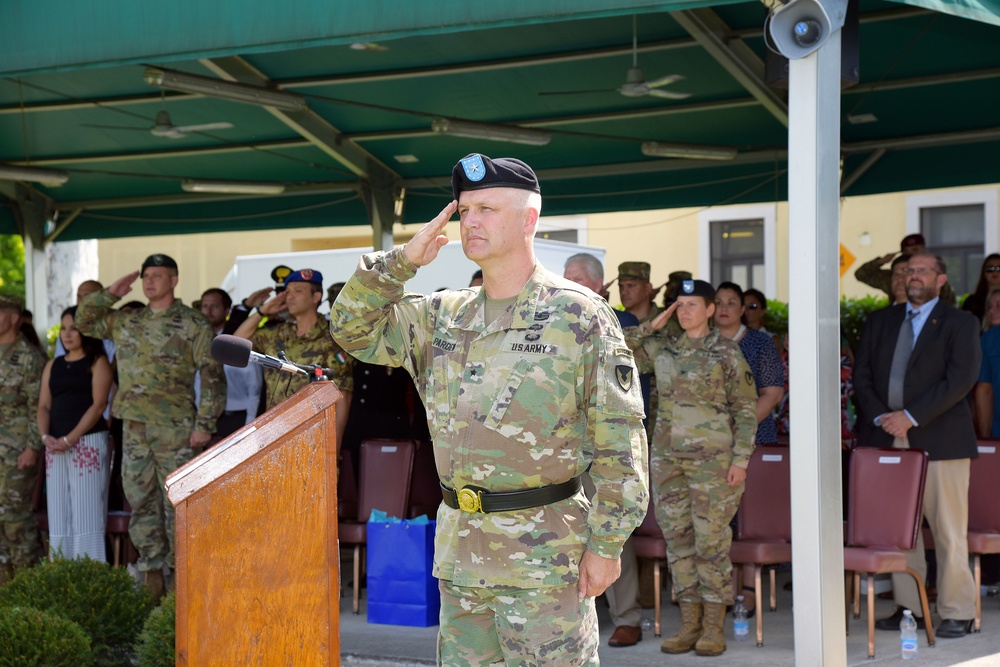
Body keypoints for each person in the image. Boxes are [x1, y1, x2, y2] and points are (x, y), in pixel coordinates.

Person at [331, 153, 649, 665]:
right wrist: (402, 262)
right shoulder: (443, 315)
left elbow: (621, 438)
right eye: (464, 210)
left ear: (529, 220)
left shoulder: (577, 315)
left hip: (546, 557)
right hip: (462, 557)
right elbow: (351, 328)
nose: (471, 220)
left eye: (487, 208)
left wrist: (608, 542)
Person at [76, 253, 226, 600]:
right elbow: (84, 320)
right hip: (136, 428)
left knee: (178, 503)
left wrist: (204, 423)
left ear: (174, 280)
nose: (150, 281)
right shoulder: (127, 321)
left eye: (158, 275)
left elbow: (213, 375)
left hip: (176, 427)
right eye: (146, 276)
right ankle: (151, 579)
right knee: (140, 501)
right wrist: (110, 293)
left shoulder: (193, 324)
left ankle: (181, 584)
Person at [623, 279, 757, 657]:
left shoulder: (726, 353)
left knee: (711, 546)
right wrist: (653, 323)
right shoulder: (664, 349)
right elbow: (621, 348)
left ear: (710, 309)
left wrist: (742, 461)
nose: (684, 312)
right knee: (678, 545)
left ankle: (714, 628)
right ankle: (690, 625)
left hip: (714, 467)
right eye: (678, 305)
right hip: (668, 463)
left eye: (692, 305)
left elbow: (746, 412)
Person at [854, 252, 980, 639]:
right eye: (908, 271)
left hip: (941, 440)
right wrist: (882, 417)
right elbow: (863, 377)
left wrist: (910, 416)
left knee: (947, 531)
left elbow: (960, 380)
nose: (913, 276)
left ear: (940, 280)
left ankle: (958, 611)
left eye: (922, 271)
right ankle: (911, 608)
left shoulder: (960, 322)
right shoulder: (880, 321)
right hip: (886, 438)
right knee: (899, 531)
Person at [564, 251, 648, 648]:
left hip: (603, 448)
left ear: (598, 285)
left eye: (577, 278)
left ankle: (627, 615)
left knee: (612, 533)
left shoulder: (614, 324)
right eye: (565, 277)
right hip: (561, 451)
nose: (567, 283)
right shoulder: (550, 322)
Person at [713, 281, 785, 615]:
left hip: (754, 441)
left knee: (750, 520)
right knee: (720, 519)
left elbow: (772, 393)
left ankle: (750, 590)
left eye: (732, 302)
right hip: (710, 446)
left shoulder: (760, 342)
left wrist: (738, 429)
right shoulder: (702, 341)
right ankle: (725, 589)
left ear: (743, 309)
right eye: (719, 301)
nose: (725, 307)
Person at [233, 269, 353, 449]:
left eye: (298, 291)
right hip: (273, 436)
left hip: (313, 438)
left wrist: (333, 446)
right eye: (287, 292)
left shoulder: (333, 340)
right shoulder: (279, 334)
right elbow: (237, 344)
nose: (290, 297)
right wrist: (261, 312)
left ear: (316, 297)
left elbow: (343, 394)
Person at [36, 306, 112, 561]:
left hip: (87, 442)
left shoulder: (98, 361)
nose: (67, 334)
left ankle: (89, 575)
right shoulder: (53, 365)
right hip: (55, 445)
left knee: (87, 511)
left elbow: (99, 405)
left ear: (86, 331)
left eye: (74, 328)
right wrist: (45, 437)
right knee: (58, 512)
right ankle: (60, 575)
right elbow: (44, 405)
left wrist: (72, 438)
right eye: (64, 328)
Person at [0, 294, 45, 580]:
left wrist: (32, 447)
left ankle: (28, 580)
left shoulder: (29, 357)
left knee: (16, 517)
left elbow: (37, 408)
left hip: (16, 451)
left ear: (15, 318)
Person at [199, 288, 262, 440]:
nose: (208, 311)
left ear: (227, 310)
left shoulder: (235, 342)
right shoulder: (197, 341)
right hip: (204, 420)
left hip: (238, 419)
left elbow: (255, 388)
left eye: (214, 306)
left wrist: (249, 426)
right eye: (204, 306)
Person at [855, 233, 955, 304]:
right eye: (906, 251)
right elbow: (861, 274)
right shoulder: (892, 277)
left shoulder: (934, 277)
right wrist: (881, 261)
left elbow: (949, 304)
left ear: (924, 251)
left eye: (915, 250)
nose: (911, 254)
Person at [962, 254, 1000, 321]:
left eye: (999, 268)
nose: (995, 272)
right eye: (990, 269)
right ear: (984, 272)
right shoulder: (971, 302)